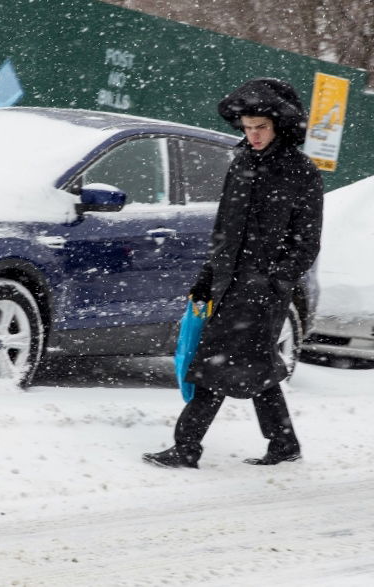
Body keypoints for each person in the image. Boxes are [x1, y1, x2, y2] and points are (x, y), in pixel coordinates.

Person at [143, 78, 324, 469]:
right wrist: (208, 276)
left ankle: (187, 446)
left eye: (260, 127)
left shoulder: (300, 173)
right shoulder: (241, 164)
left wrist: (274, 279)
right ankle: (284, 443)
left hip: (263, 292)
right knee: (257, 368)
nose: (253, 135)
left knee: (216, 363)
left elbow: (307, 244)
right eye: (247, 128)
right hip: (229, 284)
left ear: (279, 126)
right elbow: (224, 231)